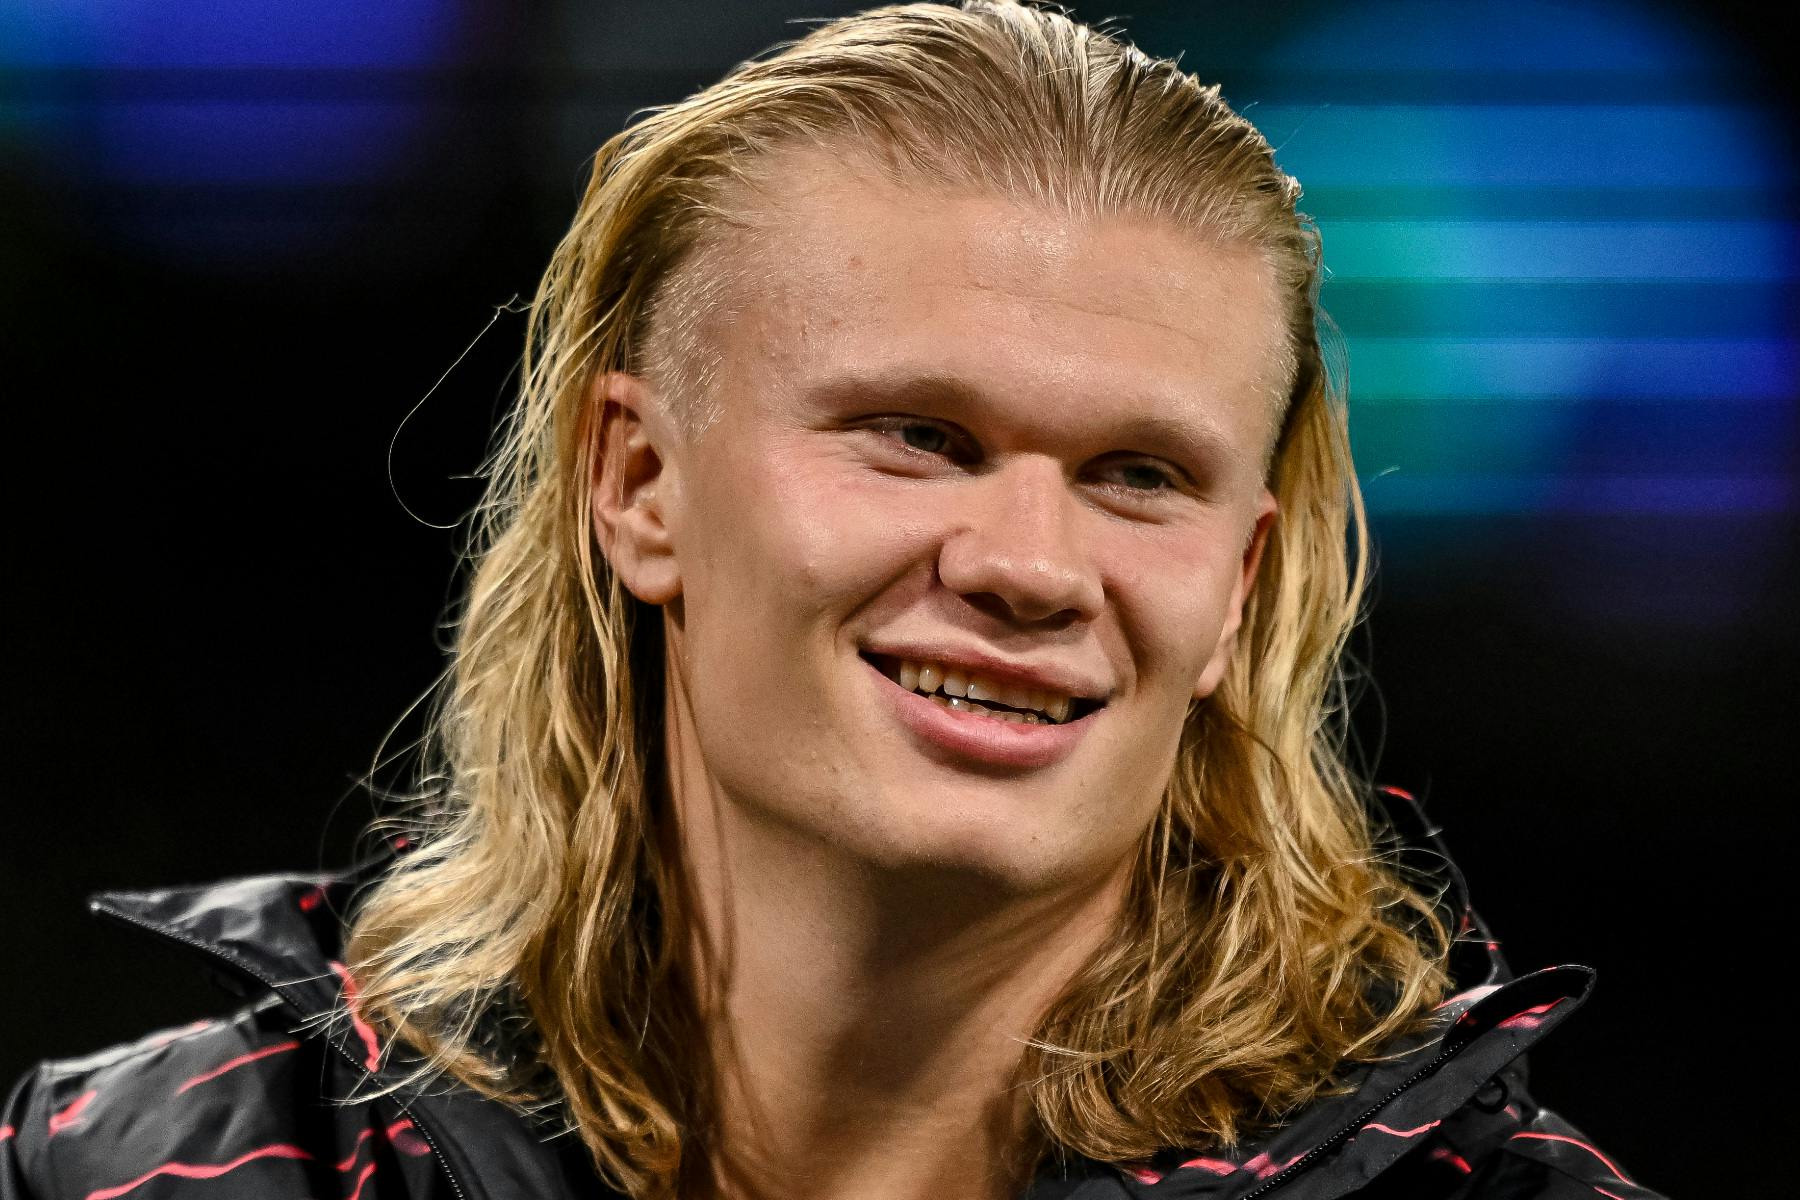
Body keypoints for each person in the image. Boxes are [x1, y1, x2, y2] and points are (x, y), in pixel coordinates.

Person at [0, 3, 1663, 1198]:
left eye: (1138, 476)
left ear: (1241, 584)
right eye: (919, 439)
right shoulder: (154, 1176)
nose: (1026, 564)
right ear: (638, 486)